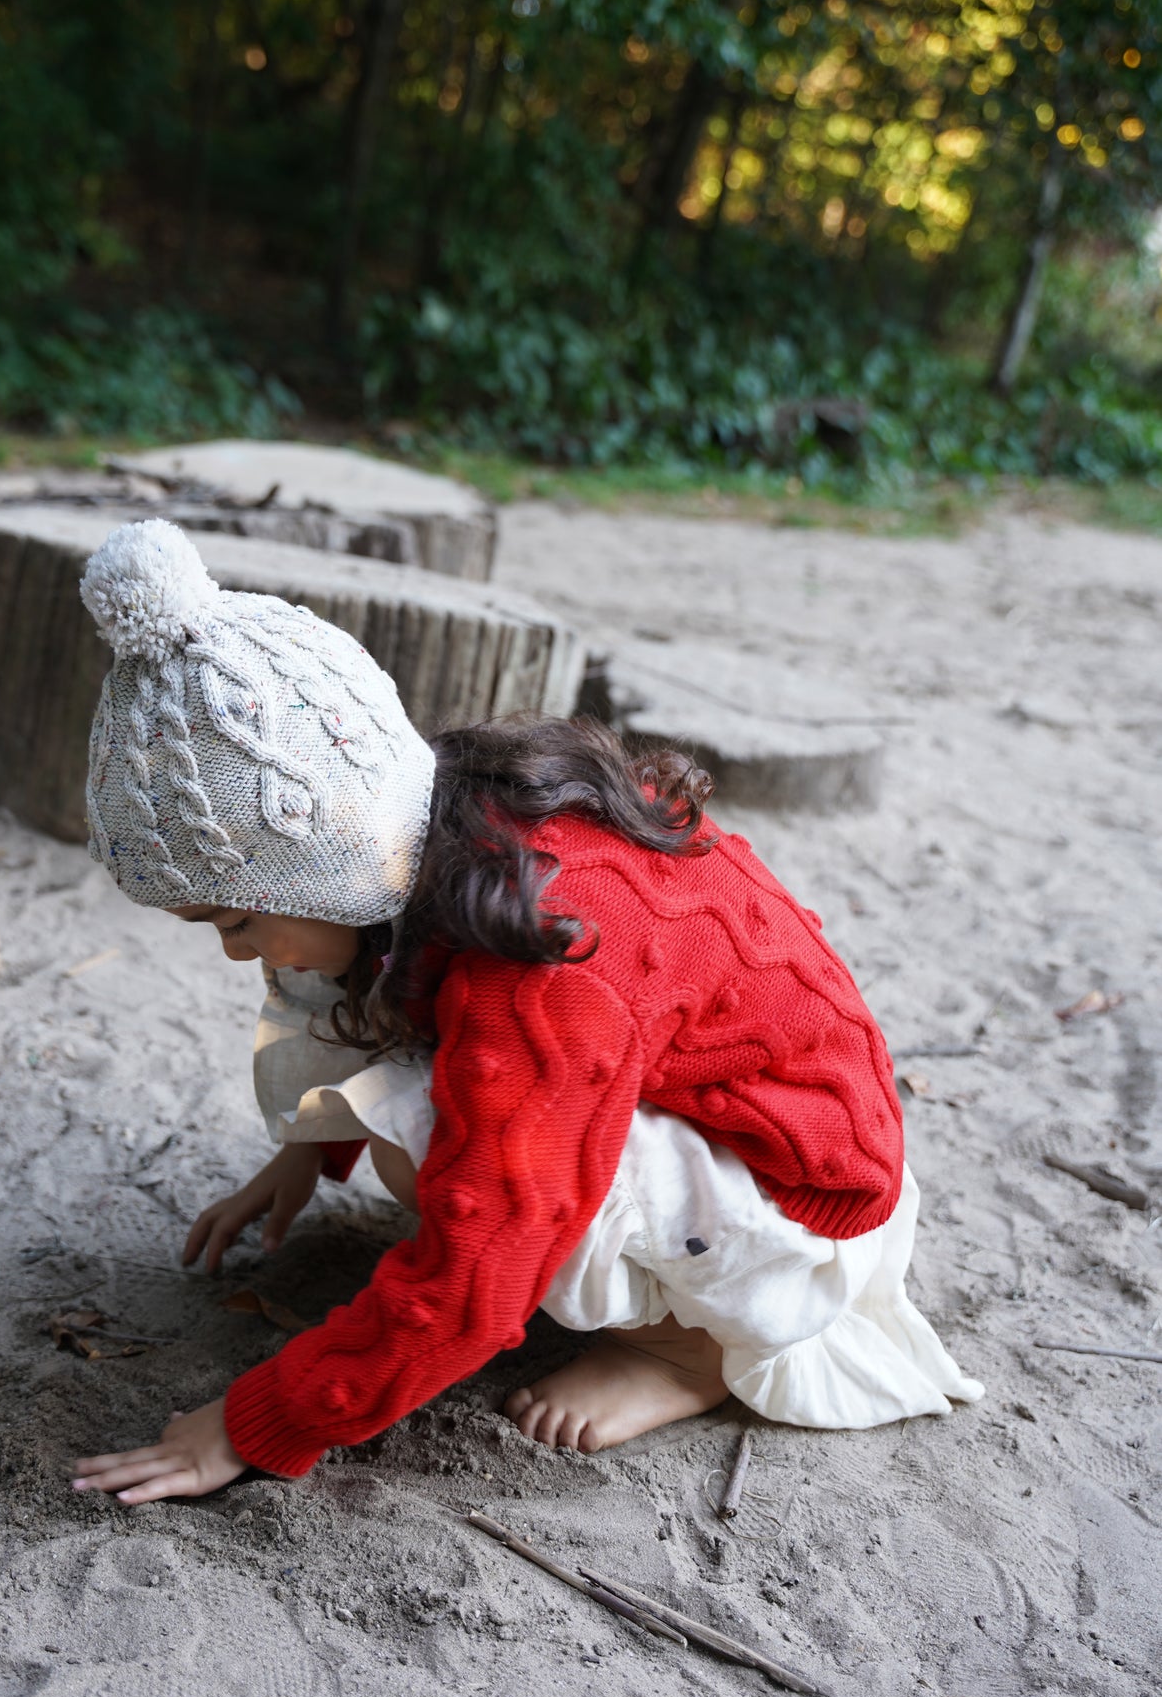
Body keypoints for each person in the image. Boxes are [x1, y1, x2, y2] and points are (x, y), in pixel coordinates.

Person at [71, 521, 980, 1507]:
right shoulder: (454, 825)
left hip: (803, 1192)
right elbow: (352, 986)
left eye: (235, 916)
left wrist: (252, 1423)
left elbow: (473, 1280)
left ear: (325, 866)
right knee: (400, 1123)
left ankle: (685, 1356)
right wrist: (306, 1148)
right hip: (750, 1118)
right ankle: (657, 1306)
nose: (232, 949)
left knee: (426, 1154)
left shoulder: (541, 964)